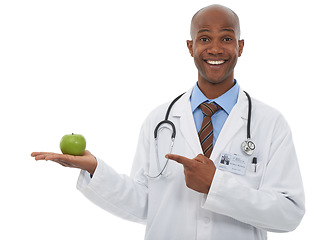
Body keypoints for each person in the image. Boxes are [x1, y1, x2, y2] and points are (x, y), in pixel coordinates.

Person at [31, 4, 305, 240]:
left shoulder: (270, 123)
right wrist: (94, 169)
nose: (215, 48)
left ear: (240, 46)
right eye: (205, 38)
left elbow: (289, 213)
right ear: (191, 46)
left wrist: (216, 185)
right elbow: (144, 203)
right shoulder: (159, 120)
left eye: (226, 39)